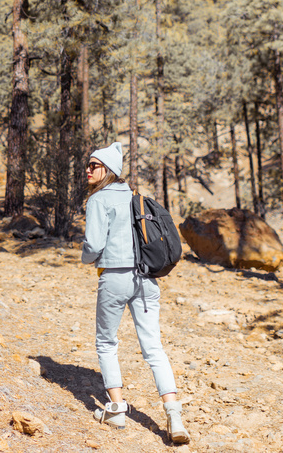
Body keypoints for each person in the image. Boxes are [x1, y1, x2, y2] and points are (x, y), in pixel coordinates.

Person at [80, 141, 190, 445]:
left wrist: (85, 257)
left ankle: (115, 410)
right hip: (145, 280)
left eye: (94, 165)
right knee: (153, 348)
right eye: (88, 165)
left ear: (109, 170)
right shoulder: (133, 197)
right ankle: (174, 415)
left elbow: (93, 246)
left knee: (106, 342)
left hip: (114, 277)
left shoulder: (98, 201)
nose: (87, 170)